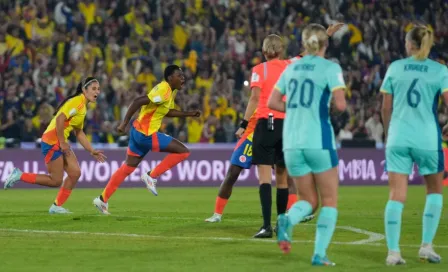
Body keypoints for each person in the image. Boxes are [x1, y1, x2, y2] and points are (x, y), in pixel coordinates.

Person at [204, 23, 344, 225]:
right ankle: (218, 214)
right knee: (240, 171)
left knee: (281, 175)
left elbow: (254, 98)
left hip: (265, 124)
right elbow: (308, 53)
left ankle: (286, 214)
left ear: (264, 51)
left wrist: (242, 124)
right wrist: (326, 35)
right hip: (260, 126)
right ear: (281, 50)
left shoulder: (271, 68)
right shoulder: (281, 66)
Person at [268, 24, 347, 266]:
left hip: (292, 143)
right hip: (318, 141)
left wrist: (294, 108)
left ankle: (288, 220)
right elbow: (341, 105)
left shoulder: (291, 68)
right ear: (326, 44)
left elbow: (273, 101)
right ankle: (319, 254)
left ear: (304, 43)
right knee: (329, 201)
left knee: (308, 200)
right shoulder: (330, 68)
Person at [380, 26, 448, 266]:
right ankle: (426, 247)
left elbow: (385, 107)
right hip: (428, 139)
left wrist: (389, 134)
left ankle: (394, 253)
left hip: (398, 138)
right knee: (434, 192)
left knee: (396, 196)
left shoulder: (395, 68)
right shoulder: (440, 70)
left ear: (409, 44)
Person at [93, 65, 200, 215]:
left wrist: (188, 114)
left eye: (183, 76)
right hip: (146, 134)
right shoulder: (164, 89)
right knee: (183, 152)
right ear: (170, 78)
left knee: (127, 168)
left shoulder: (170, 91)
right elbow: (138, 101)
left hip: (137, 132)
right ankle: (151, 176)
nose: (183, 78)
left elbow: (167, 111)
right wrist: (123, 123)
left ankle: (102, 199)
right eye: (179, 76)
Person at [3, 77, 106, 214]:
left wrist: (91, 151)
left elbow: (79, 132)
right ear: (84, 90)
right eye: (93, 88)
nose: (97, 92)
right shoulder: (77, 102)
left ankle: (56, 206)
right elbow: (59, 118)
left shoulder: (82, 106)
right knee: (55, 180)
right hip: (52, 140)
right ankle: (20, 175)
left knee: (75, 173)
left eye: (98, 89)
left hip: (60, 140)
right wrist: (62, 142)